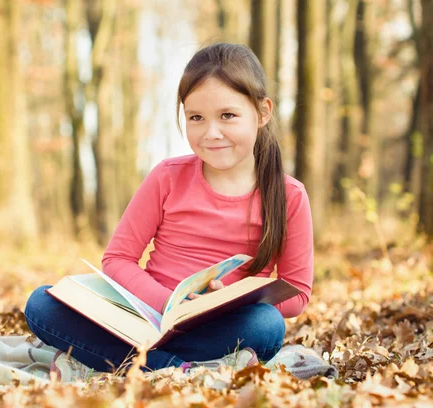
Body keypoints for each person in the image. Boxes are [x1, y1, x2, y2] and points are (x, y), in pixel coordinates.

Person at [24, 43, 314, 381]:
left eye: (228, 115)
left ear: (262, 112)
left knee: (267, 325)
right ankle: (176, 368)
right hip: (145, 317)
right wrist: (167, 304)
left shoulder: (288, 194)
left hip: (222, 326)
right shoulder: (168, 176)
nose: (211, 132)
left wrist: (231, 302)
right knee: (41, 304)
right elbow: (117, 258)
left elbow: (297, 293)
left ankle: (140, 364)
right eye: (196, 118)